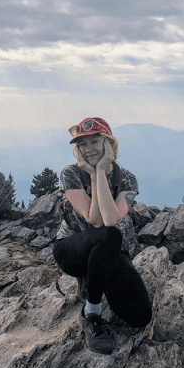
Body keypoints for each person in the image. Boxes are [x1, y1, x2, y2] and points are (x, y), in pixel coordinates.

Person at [53, 117, 152, 354]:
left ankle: (96, 281)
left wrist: (99, 172)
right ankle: (92, 312)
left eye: (95, 141)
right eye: (83, 144)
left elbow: (110, 218)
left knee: (140, 316)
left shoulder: (127, 179)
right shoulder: (70, 174)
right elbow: (95, 220)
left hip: (107, 251)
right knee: (110, 235)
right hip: (71, 250)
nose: (88, 149)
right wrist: (94, 171)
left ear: (109, 144)